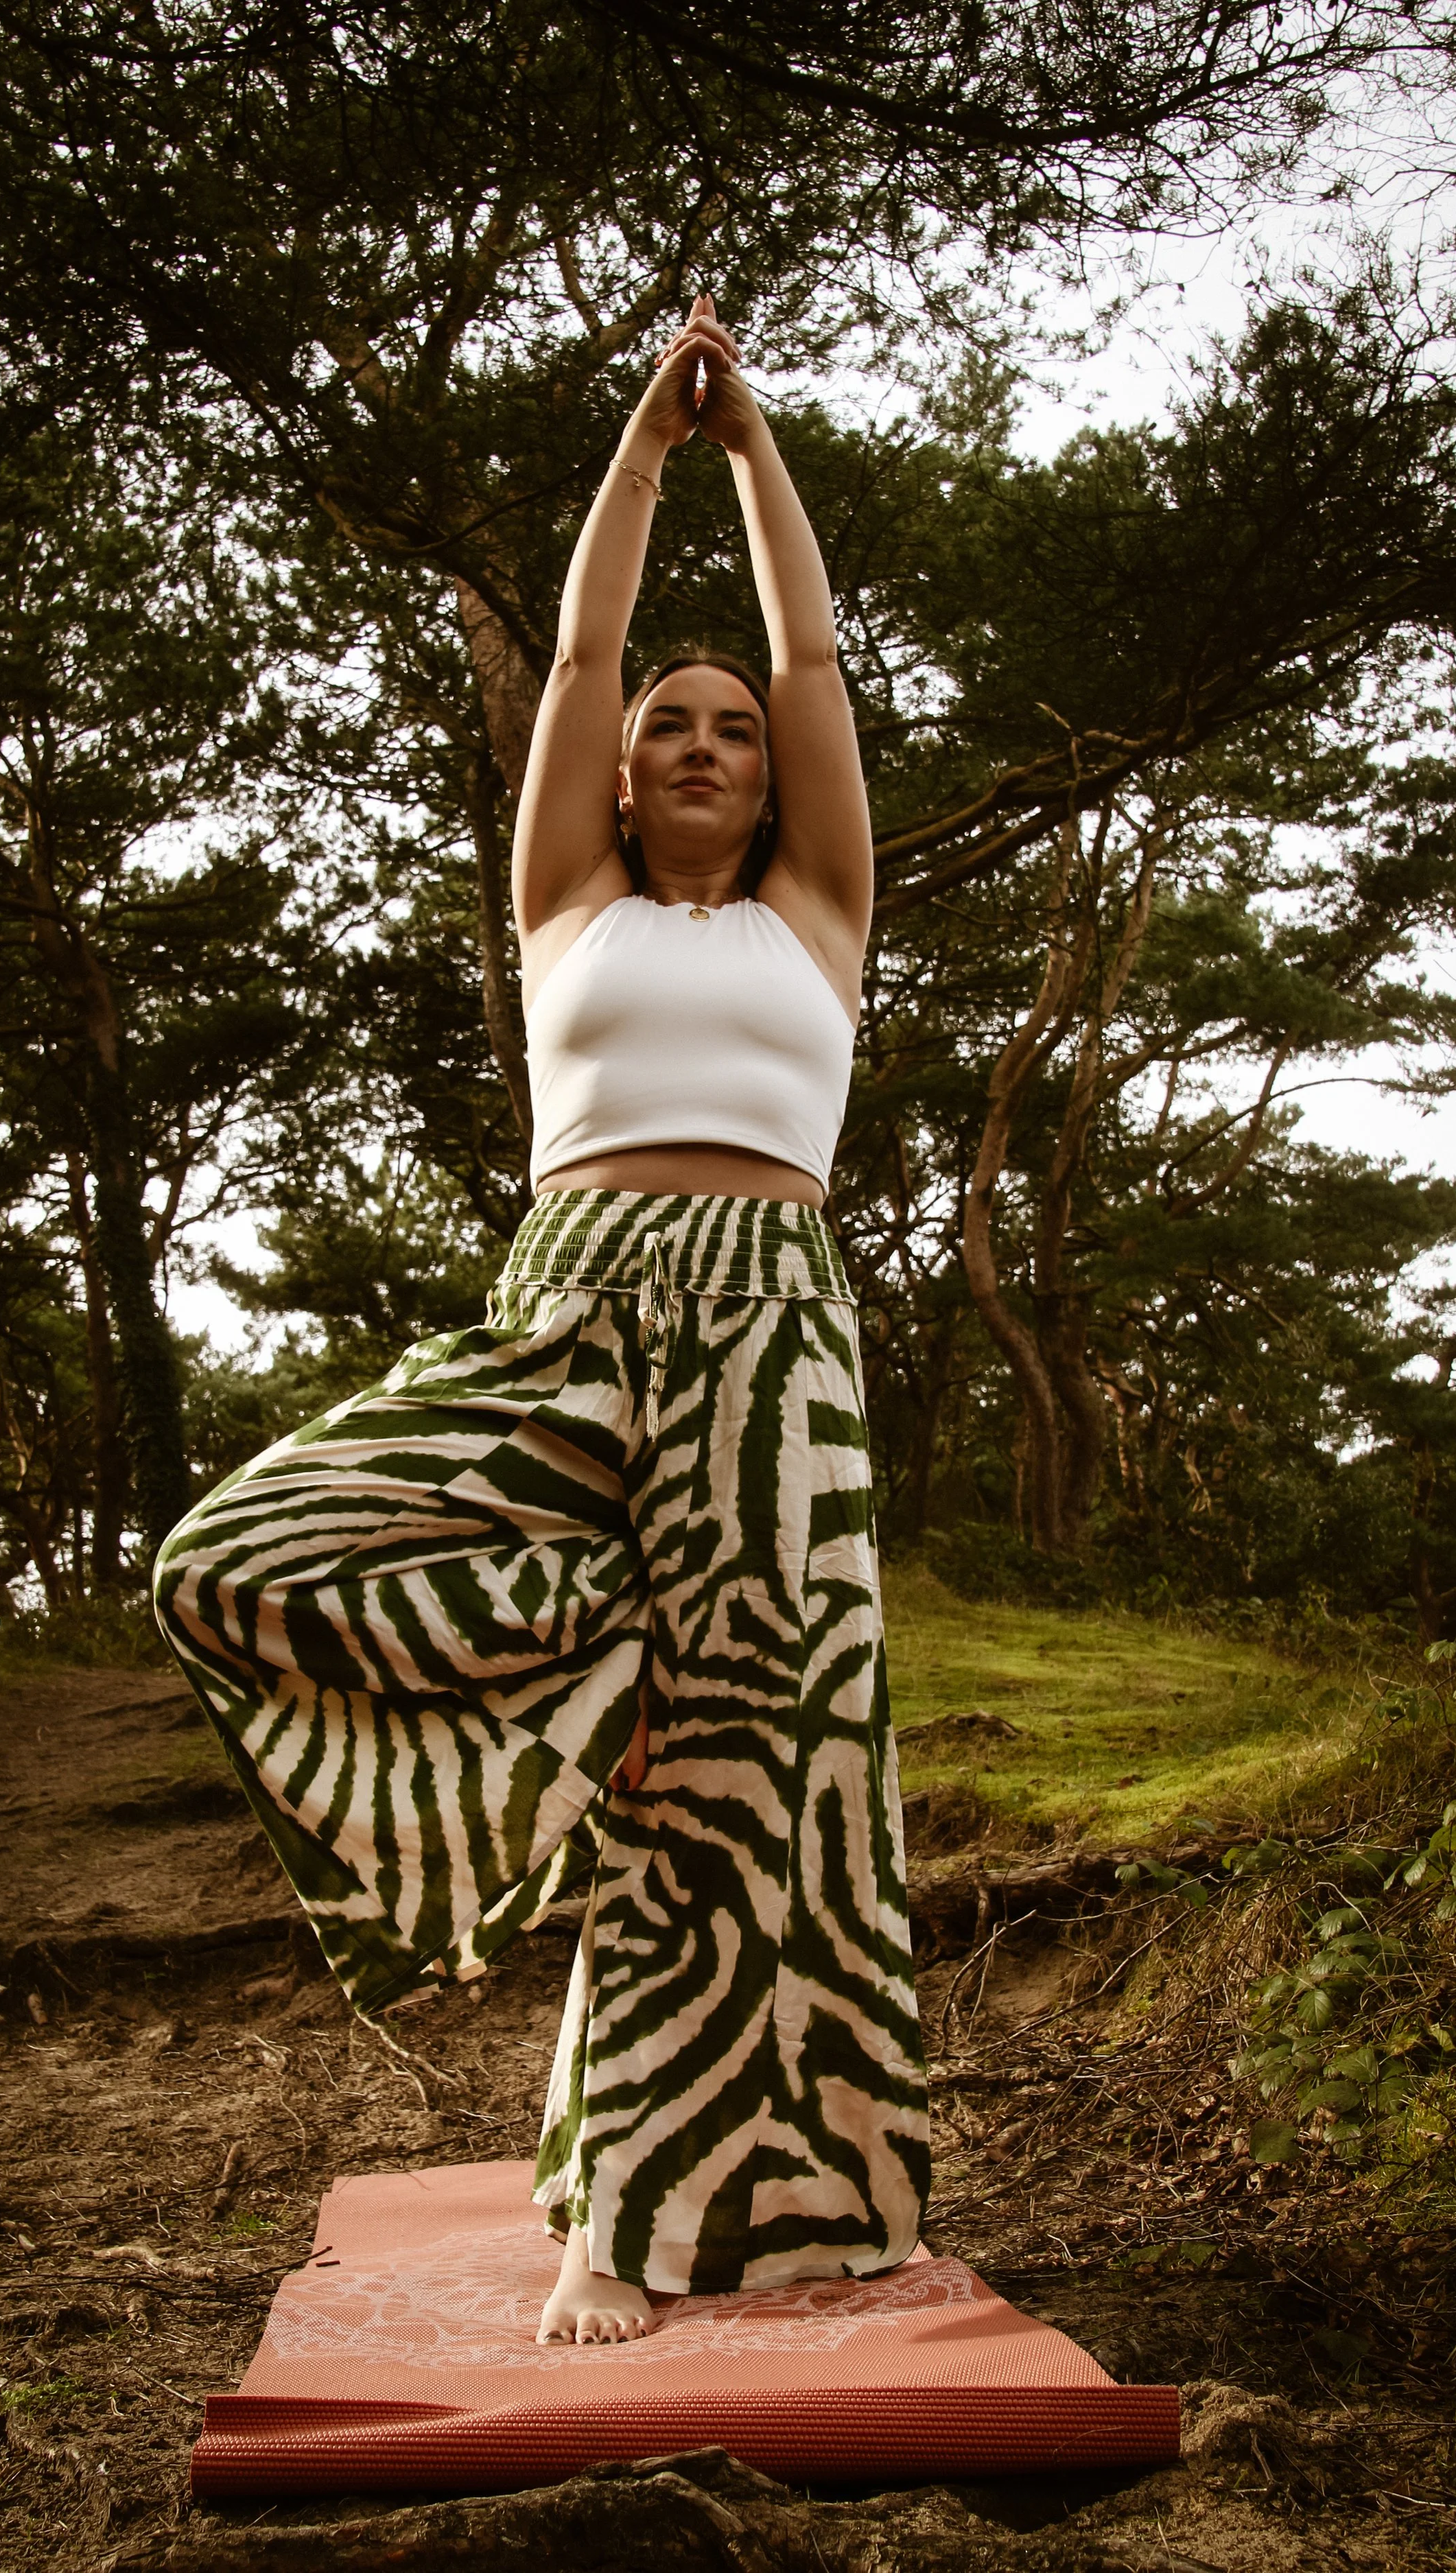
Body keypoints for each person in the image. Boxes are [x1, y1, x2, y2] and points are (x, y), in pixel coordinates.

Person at [153, 295, 929, 2351]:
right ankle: (590, 1685)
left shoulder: (819, 917)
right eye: (663, 724)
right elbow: (578, 651)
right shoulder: (561, 907)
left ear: (768, 778)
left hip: (771, 1339)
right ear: (615, 768)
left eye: (726, 728)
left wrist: (759, 454)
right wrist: (643, 451)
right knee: (229, 1553)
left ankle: (643, 2220)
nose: (693, 737)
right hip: (566, 1313)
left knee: (757, 1790)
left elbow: (818, 659)